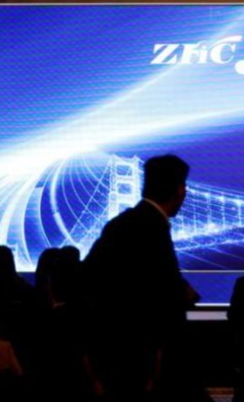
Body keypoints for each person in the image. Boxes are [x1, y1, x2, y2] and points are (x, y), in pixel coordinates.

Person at [83, 154, 203, 401]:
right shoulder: (154, 227)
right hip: (139, 361)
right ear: (179, 190)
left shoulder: (121, 223)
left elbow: (94, 280)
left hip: (112, 354)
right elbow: (159, 297)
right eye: (184, 187)